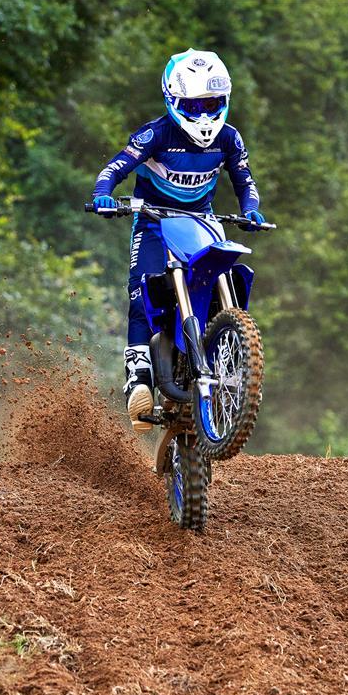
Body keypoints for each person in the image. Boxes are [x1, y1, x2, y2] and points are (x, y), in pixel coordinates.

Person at [90, 48, 267, 432]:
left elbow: (245, 181)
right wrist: (103, 195)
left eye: (212, 104)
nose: (203, 115)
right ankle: (139, 381)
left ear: (225, 100)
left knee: (229, 269)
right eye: (193, 105)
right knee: (141, 292)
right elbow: (115, 168)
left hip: (203, 222)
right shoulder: (155, 134)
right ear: (173, 100)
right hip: (154, 223)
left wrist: (251, 209)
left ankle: (227, 352)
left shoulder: (229, 139)